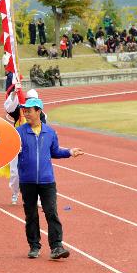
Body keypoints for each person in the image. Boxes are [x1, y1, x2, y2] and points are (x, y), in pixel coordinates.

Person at [16, 97, 84, 260]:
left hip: (47, 181)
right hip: (27, 181)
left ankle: (56, 246)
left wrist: (69, 152)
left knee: (51, 212)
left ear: (38, 111)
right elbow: (9, 150)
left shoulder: (50, 132)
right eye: (24, 110)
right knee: (31, 214)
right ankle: (34, 246)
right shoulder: (19, 132)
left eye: (29, 110)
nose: (26, 113)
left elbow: (54, 151)